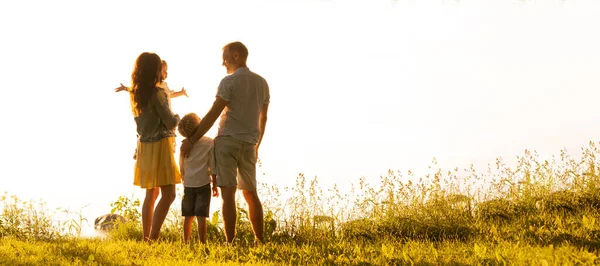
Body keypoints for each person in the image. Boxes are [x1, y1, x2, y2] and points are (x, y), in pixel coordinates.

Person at [180, 41, 270, 245]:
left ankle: (230, 241)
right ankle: (260, 239)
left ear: (236, 55)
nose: (223, 63)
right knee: (250, 193)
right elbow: (262, 119)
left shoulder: (228, 82)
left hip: (228, 141)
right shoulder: (262, 83)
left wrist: (192, 139)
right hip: (249, 143)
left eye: (225, 58)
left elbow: (213, 113)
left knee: (227, 193)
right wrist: (257, 145)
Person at [128, 52, 181, 242]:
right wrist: (179, 117)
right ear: (156, 70)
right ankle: (153, 237)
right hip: (160, 146)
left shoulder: (136, 95)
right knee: (169, 194)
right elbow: (169, 122)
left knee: (151, 193)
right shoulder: (158, 94)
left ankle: (146, 237)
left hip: (144, 146)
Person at [117, 59, 188, 160]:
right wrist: (126, 88)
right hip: (162, 118)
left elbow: (170, 95)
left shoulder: (163, 86)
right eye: (164, 71)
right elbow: (135, 90)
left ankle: (142, 150)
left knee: (154, 129)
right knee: (157, 128)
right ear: (157, 72)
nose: (166, 73)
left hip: (165, 113)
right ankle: (138, 150)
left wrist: (181, 93)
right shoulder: (155, 91)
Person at [177, 112, 219, 244]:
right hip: (204, 184)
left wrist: (182, 176)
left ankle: (186, 242)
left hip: (189, 185)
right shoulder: (209, 142)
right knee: (201, 217)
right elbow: (212, 166)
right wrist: (215, 184)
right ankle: (203, 243)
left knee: (188, 217)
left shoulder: (184, 145)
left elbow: (181, 164)